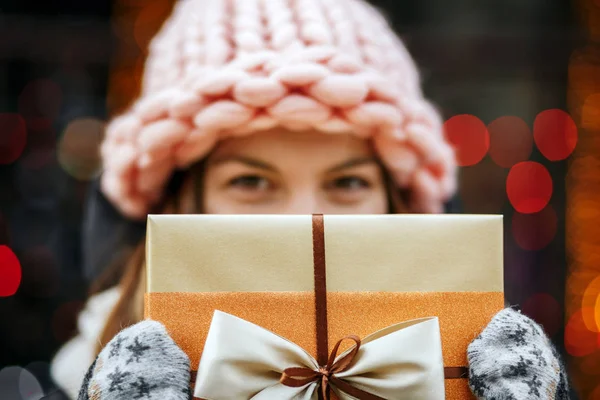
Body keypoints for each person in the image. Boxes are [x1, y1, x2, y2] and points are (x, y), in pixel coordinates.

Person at [51, 0, 570, 399]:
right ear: (178, 203)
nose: (305, 216)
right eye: (251, 181)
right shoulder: (81, 376)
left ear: (400, 203)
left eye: (348, 183)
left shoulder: (478, 365)